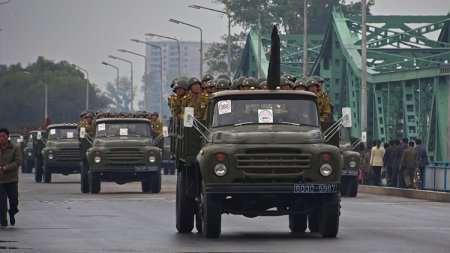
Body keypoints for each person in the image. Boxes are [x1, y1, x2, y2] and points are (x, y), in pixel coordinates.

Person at [0, 128, 22, 227]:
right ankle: (3, 221)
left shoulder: (15, 148)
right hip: (0, 180)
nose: (1, 139)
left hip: (11, 179)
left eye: (3, 136)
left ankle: (12, 212)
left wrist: (6, 167)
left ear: (8, 137)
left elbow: (18, 162)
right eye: (0, 137)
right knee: (2, 202)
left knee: (14, 201)